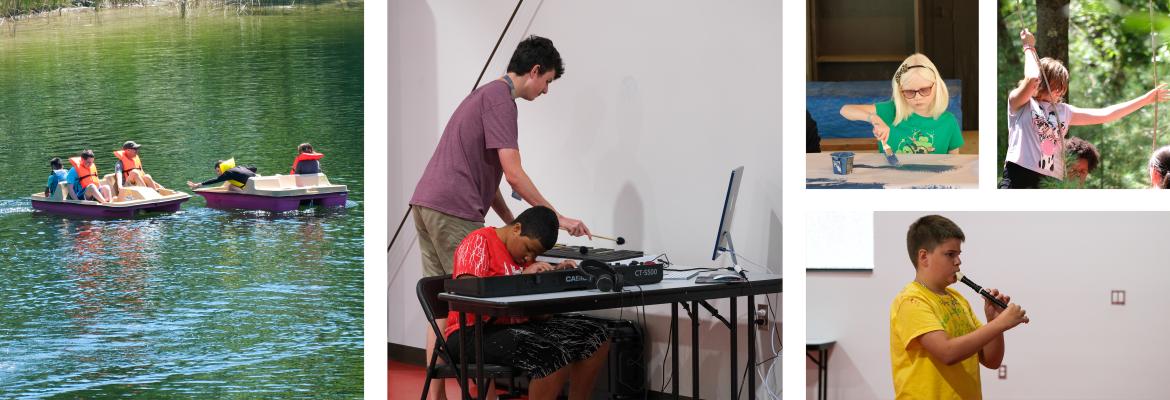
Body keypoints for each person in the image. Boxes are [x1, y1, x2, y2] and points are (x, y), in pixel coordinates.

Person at [409, 35, 592, 399]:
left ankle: (437, 397)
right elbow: (514, 174)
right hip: (453, 208)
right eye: (548, 81)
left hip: (427, 202)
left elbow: (488, 177)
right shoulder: (502, 103)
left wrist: (510, 219)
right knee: (475, 307)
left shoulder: (483, 97)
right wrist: (557, 217)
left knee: (442, 301)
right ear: (535, 71)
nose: (546, 90)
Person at [445, 206, 607, 400]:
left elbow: (540, 316)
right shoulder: (479, 241)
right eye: (529, 249)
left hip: (516, 326)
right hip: (470, 332)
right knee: (553, 354)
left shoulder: (524, 259)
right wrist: (520, 277)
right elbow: (468, 289)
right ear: (516, 229)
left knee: (597, 337)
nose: (529, 258)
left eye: (535, 255)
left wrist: (553, 280)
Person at [1001, 28, 1170, 189]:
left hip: (1050, 182)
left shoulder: (1064, 111)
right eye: (1056, 84)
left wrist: (1146, 99)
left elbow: (1106, 114)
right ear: (1045, 81)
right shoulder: (1020, 102)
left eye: (1063, 87)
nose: (1060, 91)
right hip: (1019, 176)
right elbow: (1031, 79)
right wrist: (1028, 46)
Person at [890, 215, 1030, 399]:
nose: (958, 262)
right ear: (924, 257)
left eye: (958, 255)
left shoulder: (957, 299)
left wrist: (993, 321)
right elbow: (947, 353)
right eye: (950, 254)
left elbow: (992, 360)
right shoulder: (911, 301)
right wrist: (1000, 324)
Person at [839, 53, 963, 155]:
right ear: (900, 91)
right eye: (909, 92)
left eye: (924, 90)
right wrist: (874, 119)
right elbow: (845, 110)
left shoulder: (949, 122)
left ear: (937, 86)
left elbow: (954, 164)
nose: (918, 97)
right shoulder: (890, 111)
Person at [186, 159, 257, 193]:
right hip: (257, 181)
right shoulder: (238, 167)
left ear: (222, 168)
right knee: (229, 184)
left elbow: (216, 180)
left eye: (218, 170)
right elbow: (254, 168)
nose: (218, 173)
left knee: (230, 186)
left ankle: (244, 195)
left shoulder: (228, 172)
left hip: (251, 187)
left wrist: (198, 184)